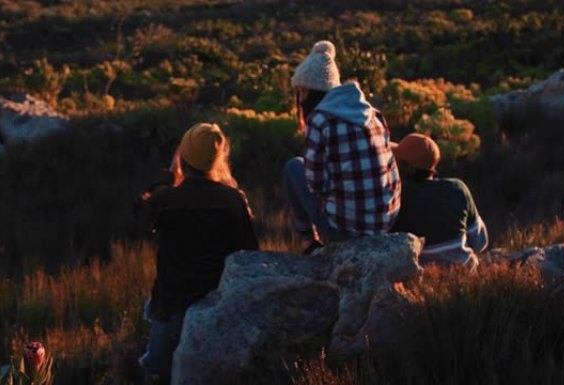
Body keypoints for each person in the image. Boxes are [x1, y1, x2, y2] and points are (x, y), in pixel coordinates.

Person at [136, 123, 259, 384]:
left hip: (172, 306)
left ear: (183, 158)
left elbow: (139, 215)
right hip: (216, 304)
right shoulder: (233, 199)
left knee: (156, 370)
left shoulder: (167, 199)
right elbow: (249, 253)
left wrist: (167, 179)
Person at [283, 40, 400, 254]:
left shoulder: (320, 120)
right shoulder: (372, 114)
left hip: (345, 230)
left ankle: (309, 242)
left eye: (301, 92)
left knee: (293, 167)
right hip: (385, 223)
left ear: (312, 91)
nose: (299, 100)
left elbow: (316, 186)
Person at [390, 133, 488, 269]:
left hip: (421, 280)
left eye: (395, 161)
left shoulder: (397, 194)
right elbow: (480, 243)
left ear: (409, 169)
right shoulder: (458, 188)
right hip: (465, 275)